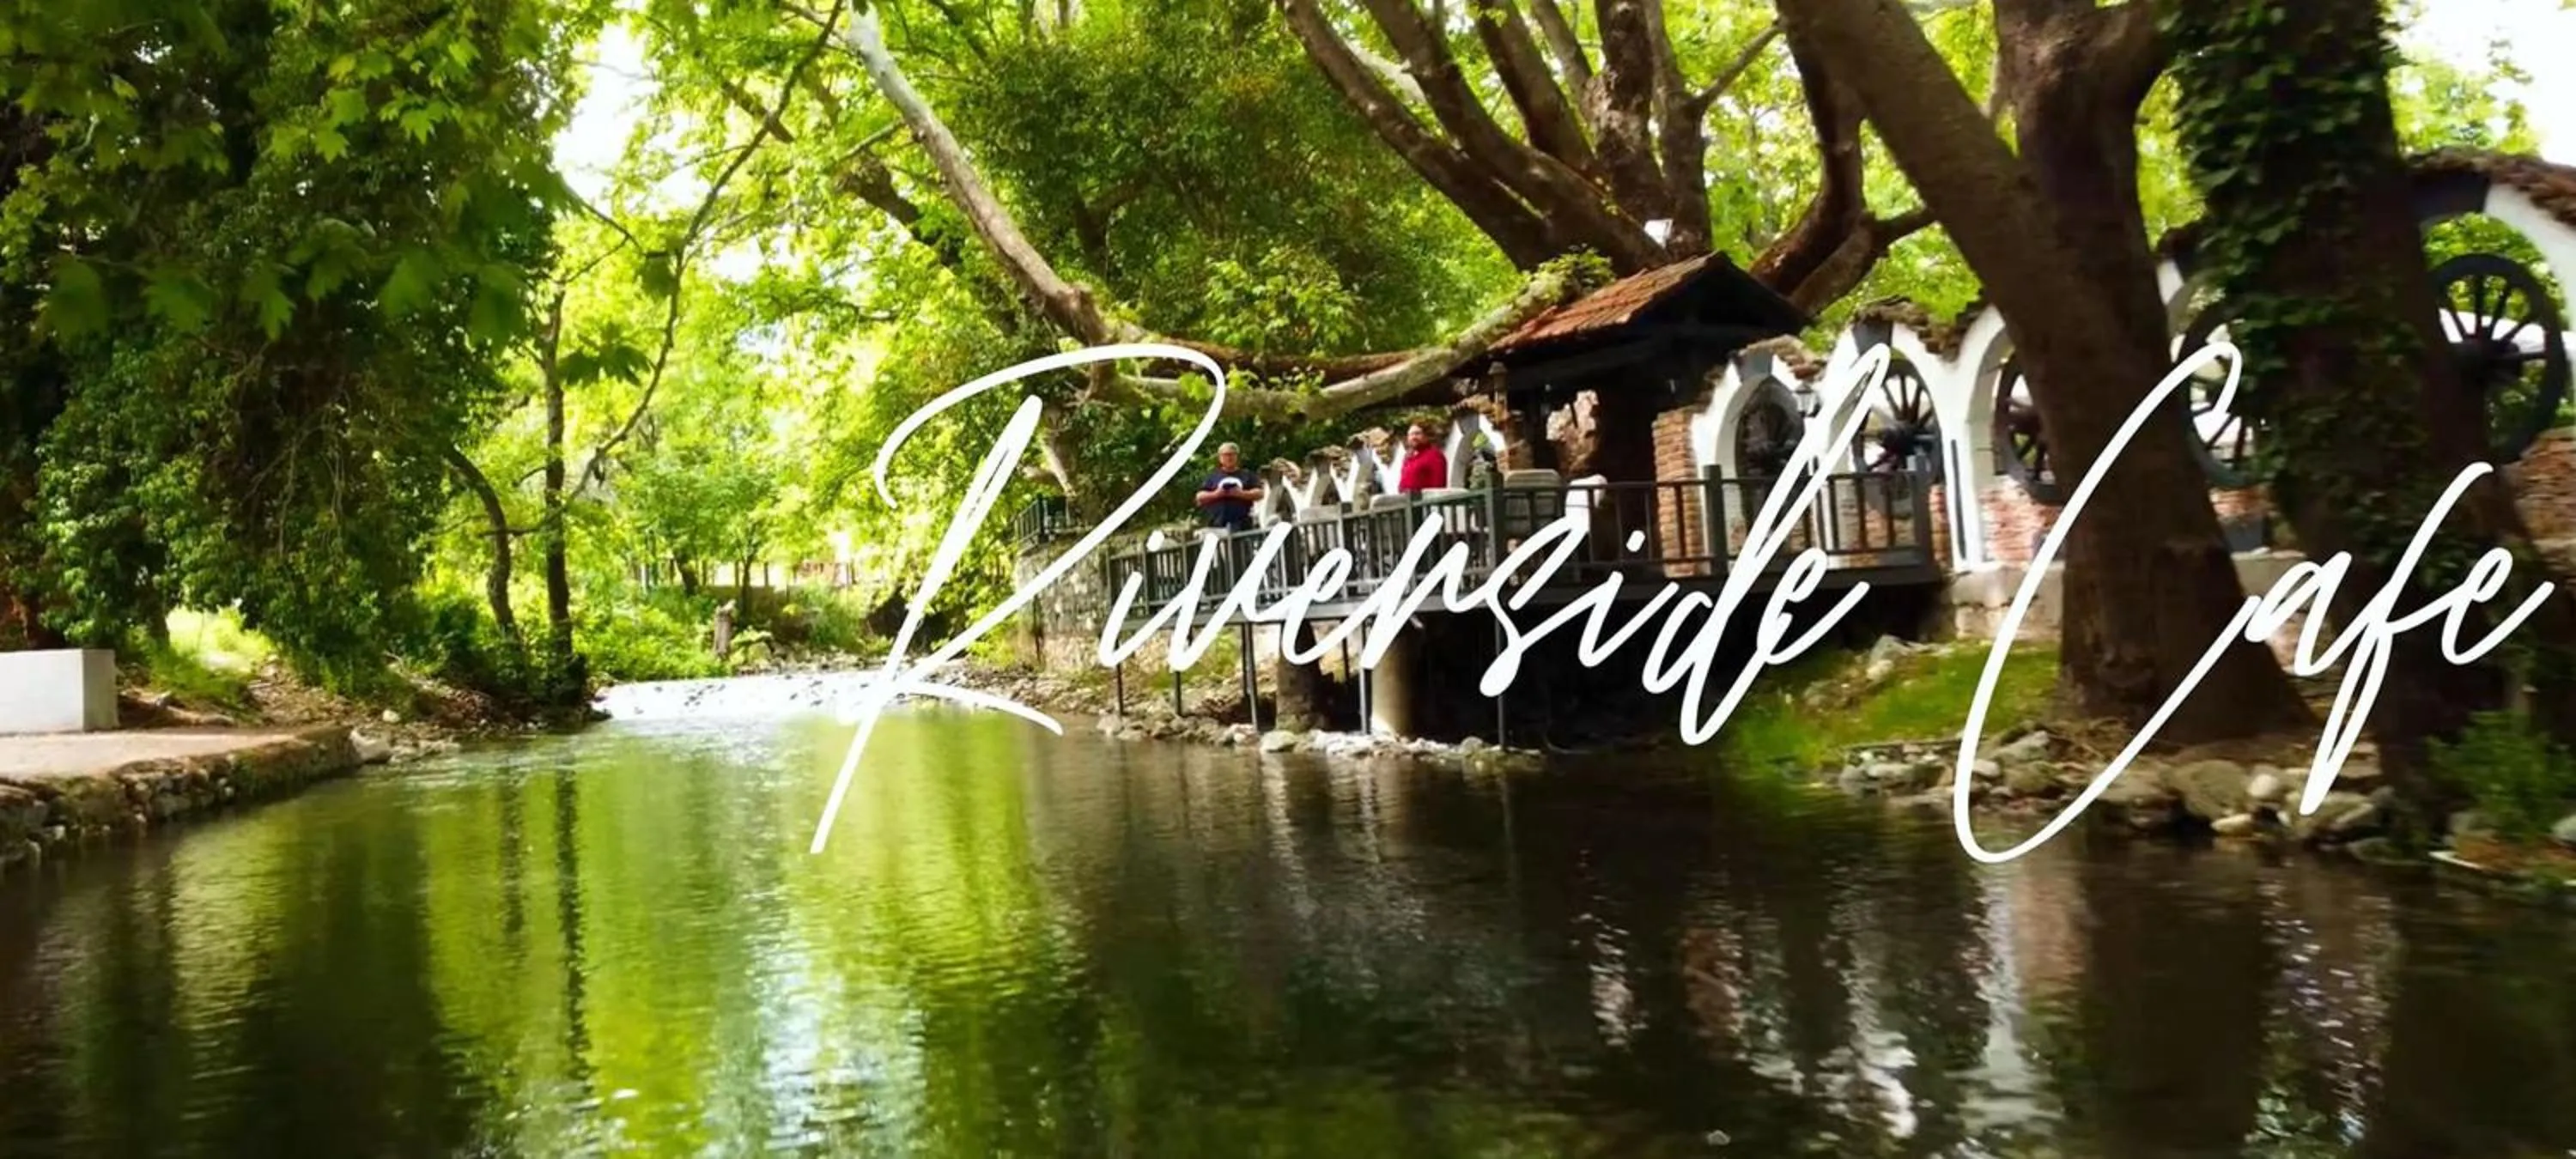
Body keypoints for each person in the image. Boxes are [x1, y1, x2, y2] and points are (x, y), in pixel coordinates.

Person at [1194, 442, 1264, 531]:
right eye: (1225, 455)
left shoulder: (1247, 475)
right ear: (1220, 458)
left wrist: (1241, 494)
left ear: (1237, 457)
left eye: (1232, 454)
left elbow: (1260, 493)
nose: (1229, 458)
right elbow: (1200, 496)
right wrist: (1217, 494)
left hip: (1243, 525)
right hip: (1216, 524)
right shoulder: (1212, 477)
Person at [1396, 423, 1449, 494]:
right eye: (1411, 434)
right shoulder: (1408, 457)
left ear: (1425, 436)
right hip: (1406, 501)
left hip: (1424, 502)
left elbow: (1438, 485)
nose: (1414, 437)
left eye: (1417, 434)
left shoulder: (1434, 455)